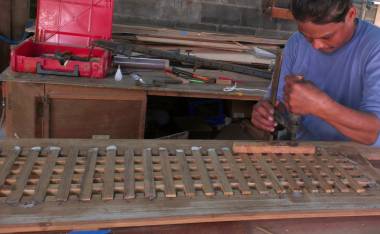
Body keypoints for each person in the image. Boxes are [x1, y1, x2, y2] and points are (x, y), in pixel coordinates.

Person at [251, 0, 380, 146]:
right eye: (307, 36)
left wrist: (321, 106)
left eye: (327, 37)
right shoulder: (296, 43)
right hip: (306, 149)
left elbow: (372, 133)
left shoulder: (375, 48)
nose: (316, 45)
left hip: (362, 158)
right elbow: (279, 103)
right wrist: (266, 112)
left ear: (350, 15)